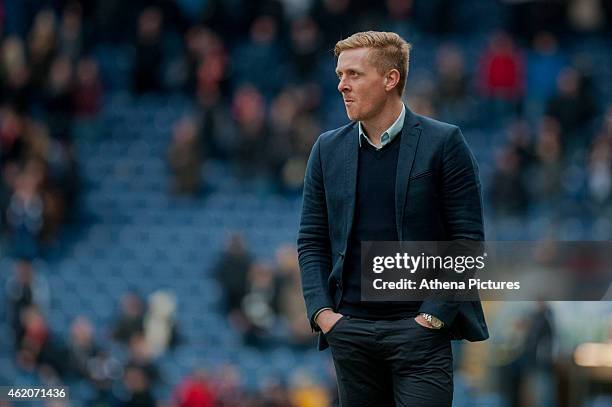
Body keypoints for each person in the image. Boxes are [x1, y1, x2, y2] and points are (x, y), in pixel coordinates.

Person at [297, 31, 488, 406]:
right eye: (339, 75)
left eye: (353, 74)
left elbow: (467, 242)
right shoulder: (326, 149)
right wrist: (323, 314)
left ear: (390, 79)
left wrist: (432, 318)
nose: (341, 85)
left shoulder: (445, 143)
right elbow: (312, 240)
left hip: (420, 335)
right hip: (350, 333)